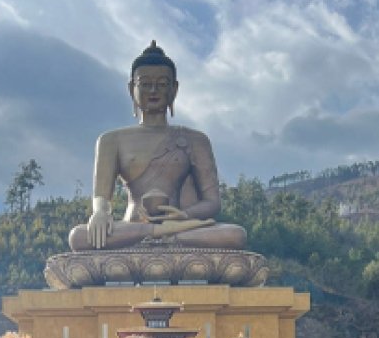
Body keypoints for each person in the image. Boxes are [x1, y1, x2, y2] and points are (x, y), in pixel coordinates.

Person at [69, 41, 247, 252]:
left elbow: (212, 202)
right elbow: (101, 197)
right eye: (145, 83)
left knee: (235, 235)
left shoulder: (195, 140)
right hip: (132, 227)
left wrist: (186, 216)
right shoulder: (111, 140)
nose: (153, 90)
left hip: (181, 227)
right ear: (131, 88)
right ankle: (156, 236)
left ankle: (159, 238)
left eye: (162, 84)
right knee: (78, 237)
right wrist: (99, 213)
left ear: (174, 89)